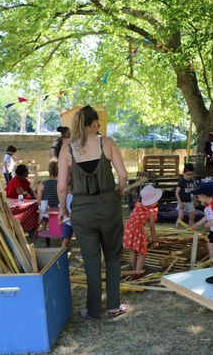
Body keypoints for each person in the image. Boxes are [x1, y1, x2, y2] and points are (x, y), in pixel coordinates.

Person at [57, 105, 128, 320]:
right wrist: (118, 192)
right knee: (113, 257)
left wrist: (62, 207)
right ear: (95, 123)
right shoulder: (106, 142)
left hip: (82, 211)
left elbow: (61, 186)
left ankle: (94, 309)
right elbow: (123, 176)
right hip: (108, 208)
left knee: (91, 260)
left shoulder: (67, 149)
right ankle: (114, 306)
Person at [123, 185, 161, 277]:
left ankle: (133, 270)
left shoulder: (137, 206)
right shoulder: (151, 212)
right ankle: (138, 274)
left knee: (132, 251)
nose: (158, 201)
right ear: (152, 201)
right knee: (142, 253)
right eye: (157, 199)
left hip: (128, 230)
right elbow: (152, 228)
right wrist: (154, 241)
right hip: (137, 232)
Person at [192, 185, 213, 258]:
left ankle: (212, 261)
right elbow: (206, 217)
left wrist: (210, 222)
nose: (198, 199)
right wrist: (197, 224)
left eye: (198, 197)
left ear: (204, 196)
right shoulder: (207, 206)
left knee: (210, 246)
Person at [176, 163, 197, 227]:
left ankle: (191, 231)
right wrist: (180, 202)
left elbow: (193, 192)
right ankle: (176, 230)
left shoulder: (193, 181)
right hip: (182, 202)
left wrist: (194, 200)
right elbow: (177, 192)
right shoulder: (181, 181)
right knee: (180, 218)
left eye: (191, 174)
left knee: (192, 217)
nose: (189, 176)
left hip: (190, 202)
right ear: (183, 173)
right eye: (187, 174)